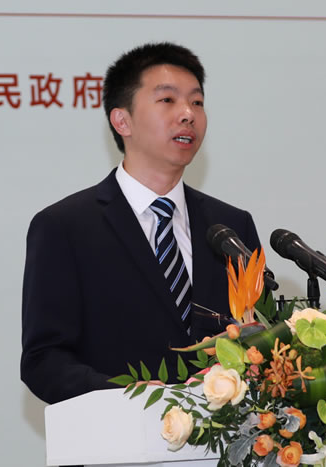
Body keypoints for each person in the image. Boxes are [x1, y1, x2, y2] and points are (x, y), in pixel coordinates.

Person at [21, 42, 260, 405]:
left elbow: (257, 341)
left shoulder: (231, 226)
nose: (188, 114)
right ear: (122, 121)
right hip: (118, 434)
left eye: (197, 102)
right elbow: (44, 361)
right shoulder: (65, 227)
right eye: (168, 100)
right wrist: (131, 398)